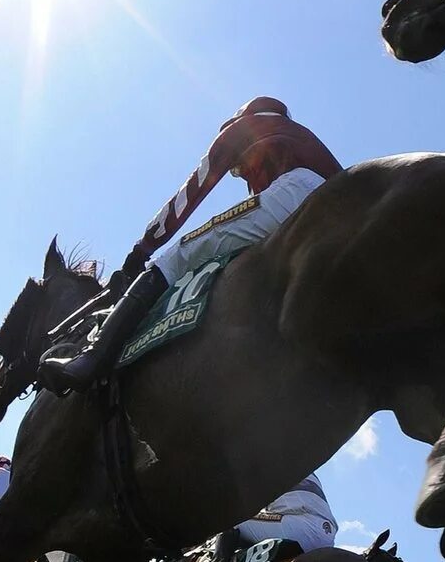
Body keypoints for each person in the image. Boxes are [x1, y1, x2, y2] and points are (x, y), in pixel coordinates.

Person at [39, 97, 343, 390]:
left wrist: (142, 249)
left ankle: (90, 360)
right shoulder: (305, 141)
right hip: (335, 215)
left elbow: (191, 192)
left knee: (178, 255)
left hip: (295, 197)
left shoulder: (244, 129)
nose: (243, 176)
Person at [188, 471, 337, 562]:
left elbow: (245, 505)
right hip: (328, 534)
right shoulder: (306, 466)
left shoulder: (266, 465)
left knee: (230, 521)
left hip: (300, 526)